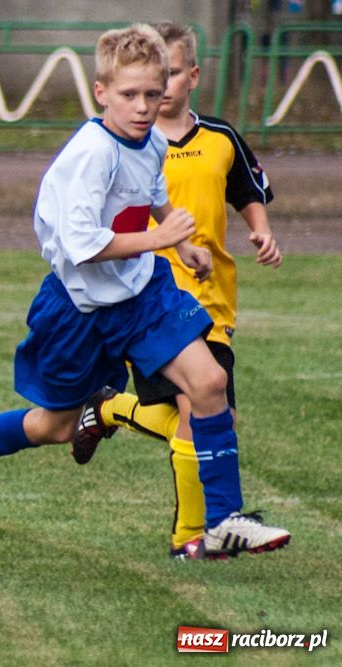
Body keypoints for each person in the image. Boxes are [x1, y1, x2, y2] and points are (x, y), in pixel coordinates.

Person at [0, 23, 290, 560]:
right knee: (55, 426)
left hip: (141, 291)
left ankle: (223, 518)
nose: (142, 106)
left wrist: (180, 249)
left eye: (152, 94)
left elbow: (152, 195)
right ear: (101, 92)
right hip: (79, 307)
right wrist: (159, 239)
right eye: (129, 95)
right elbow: (83, 245)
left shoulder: (152, 140)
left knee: (209, 382)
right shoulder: (91, 154)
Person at [70, 22, 283, 561]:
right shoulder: (122, 143)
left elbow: (248, 191)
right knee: (199, 408)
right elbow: (88, 228)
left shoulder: (218, 138)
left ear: (191, 75)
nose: (157, 91)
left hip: (212, 298)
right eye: (143, 84)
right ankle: (196, 536)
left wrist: (259, 229)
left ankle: (113, 410)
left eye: (167, 76)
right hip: (148, 300)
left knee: (205, 410)